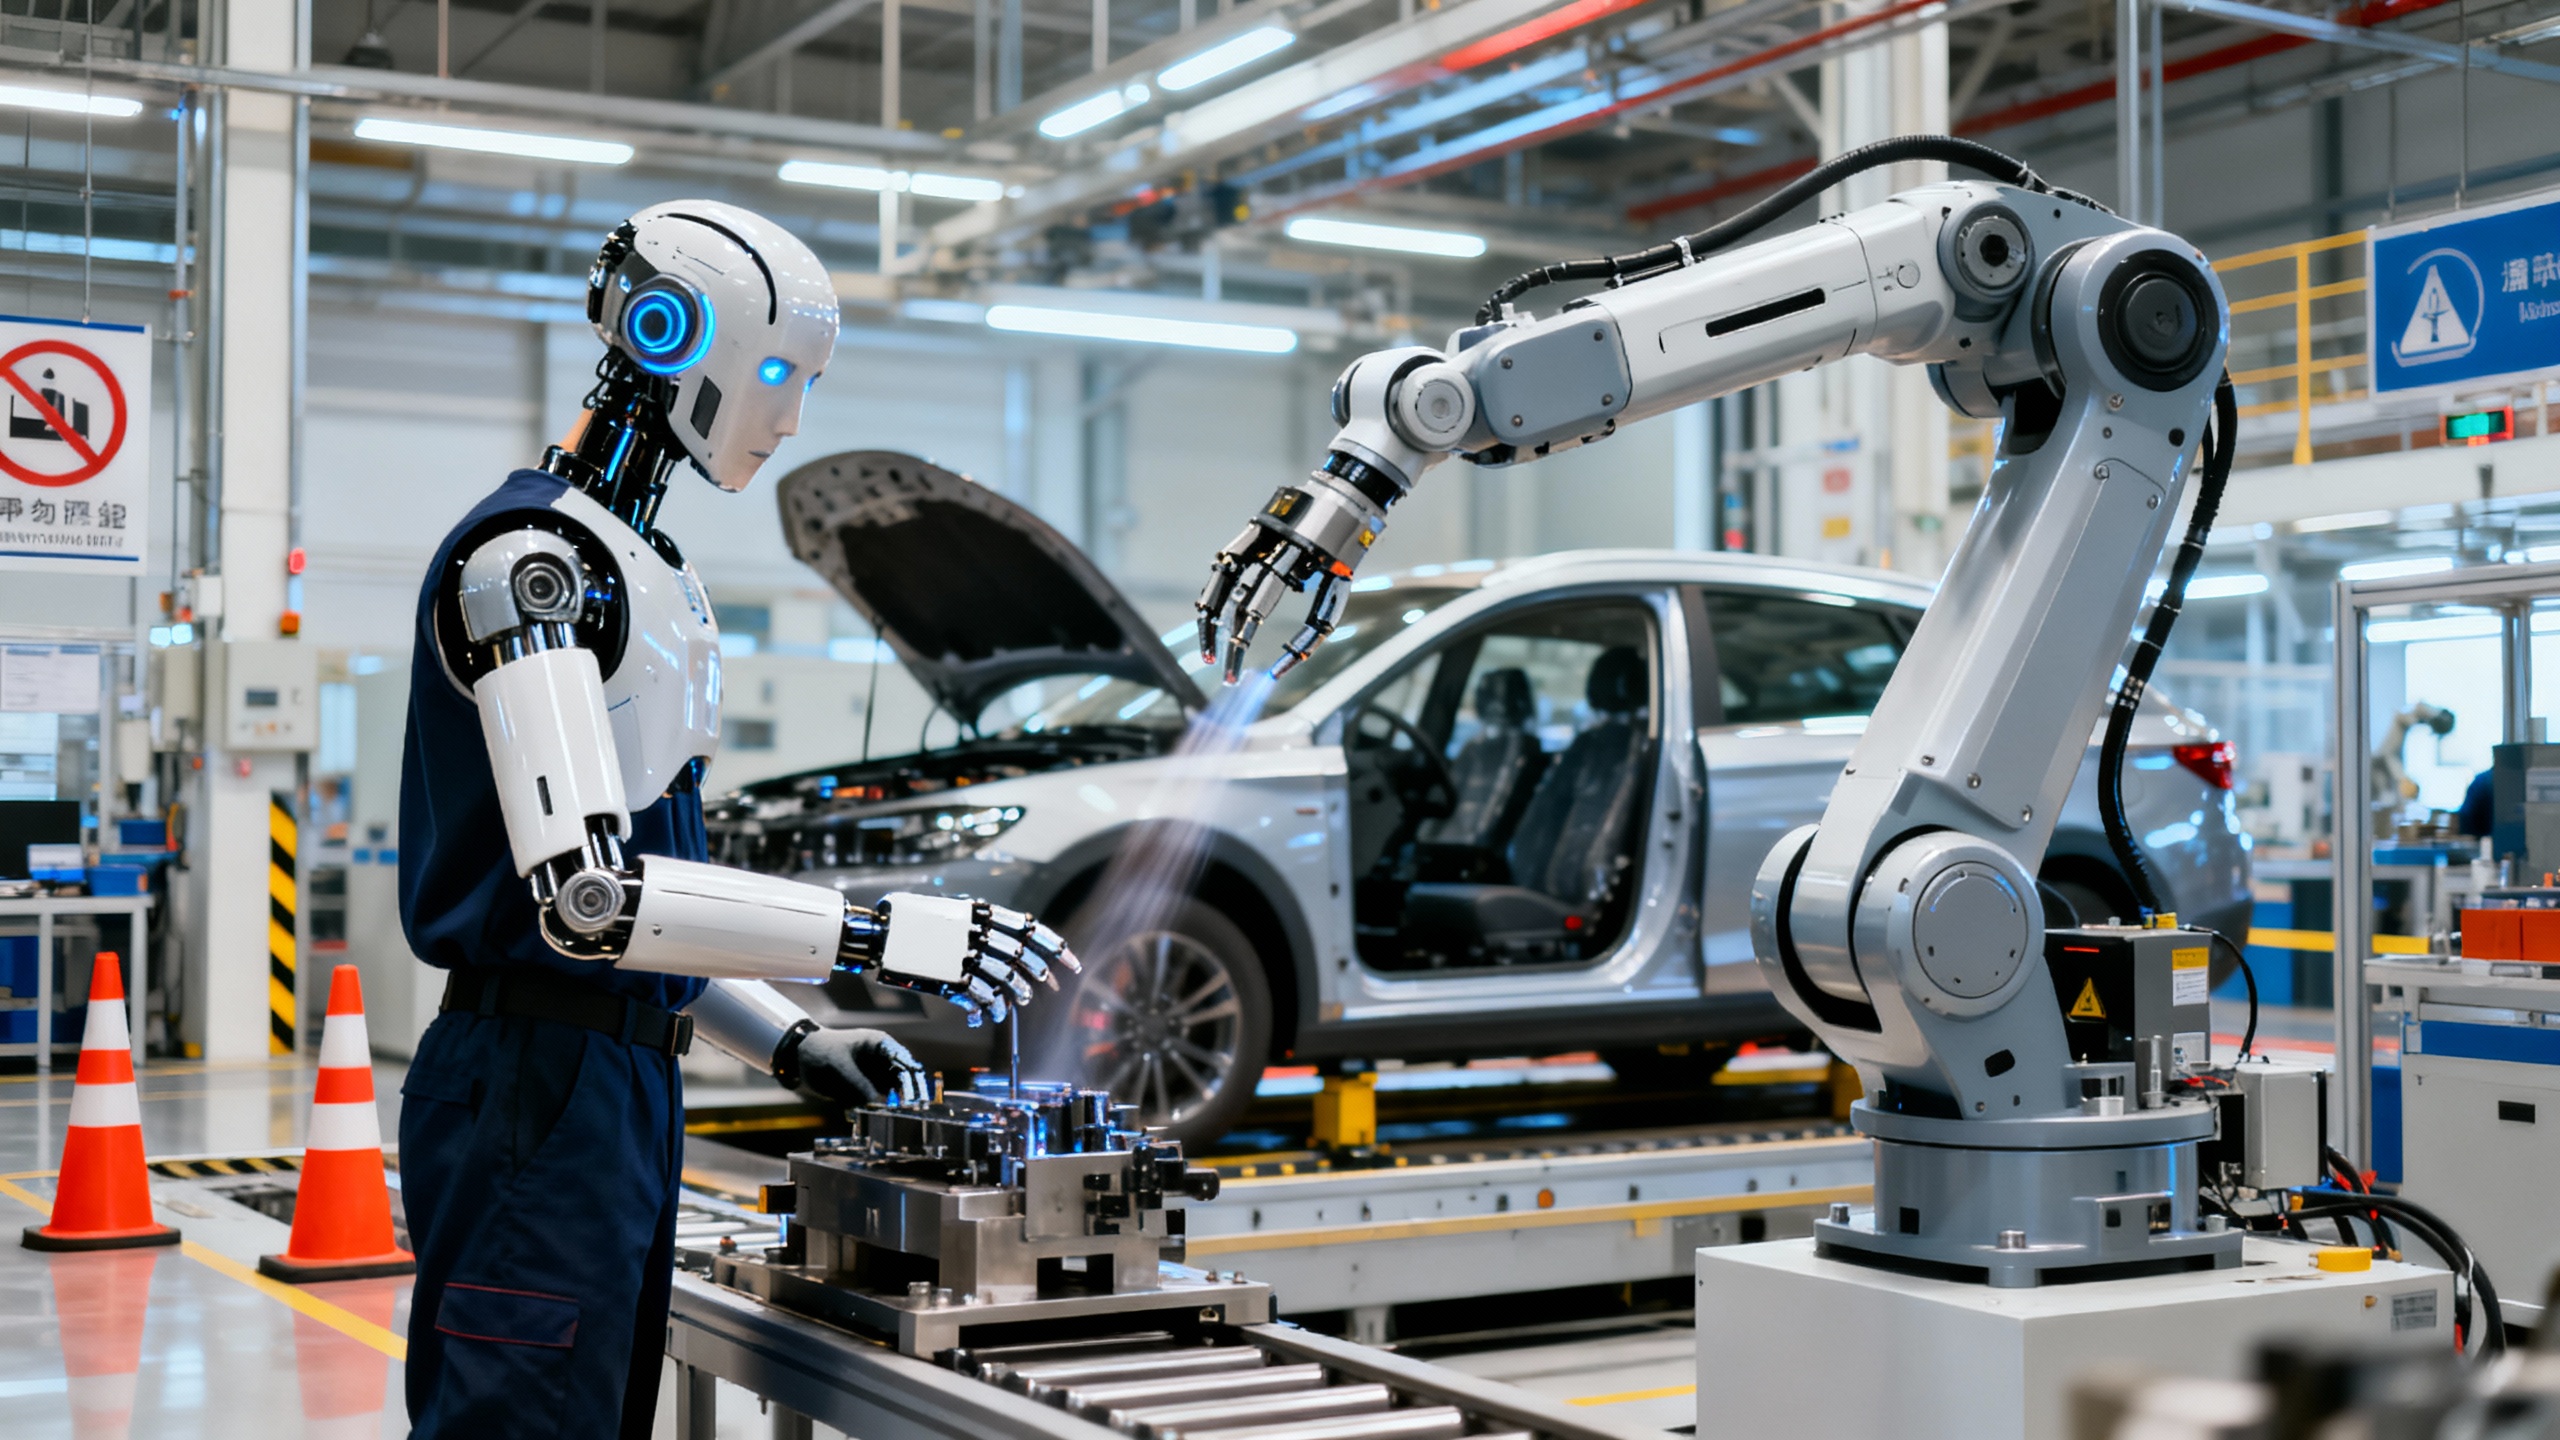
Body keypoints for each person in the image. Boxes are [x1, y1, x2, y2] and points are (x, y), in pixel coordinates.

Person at [395, 201, 1075, 1438]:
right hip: (532, 1088)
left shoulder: (639, 570)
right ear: (668, 332)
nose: (790, 417)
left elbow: (657, 906)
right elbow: (591, 903)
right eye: (776, 373)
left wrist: (797, 1045)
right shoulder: (530, 564)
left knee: (594, 1410)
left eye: (807, 382)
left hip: (614, 1083)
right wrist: (881, 937)